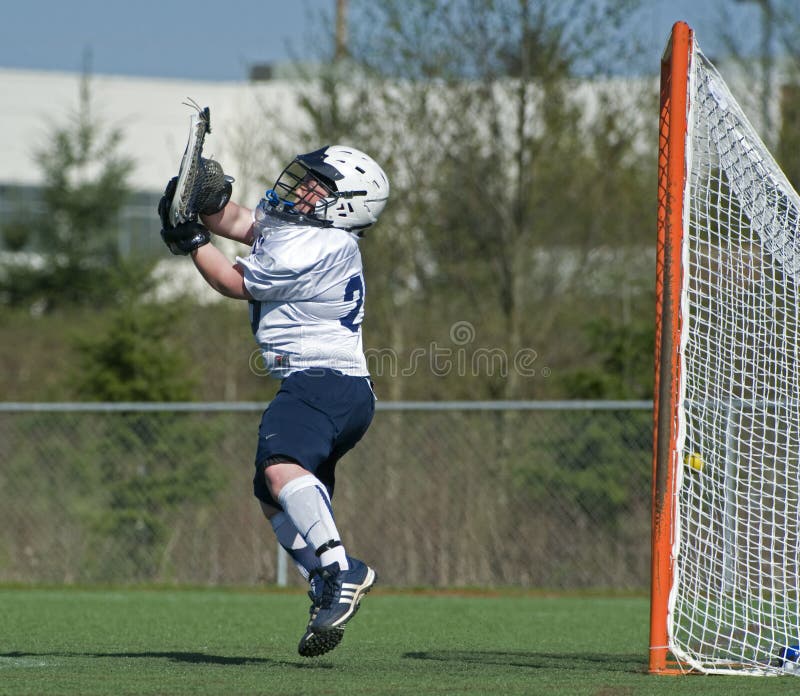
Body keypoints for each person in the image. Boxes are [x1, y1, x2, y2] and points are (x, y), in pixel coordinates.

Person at [157, 144, 390, 657]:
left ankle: (339, 570)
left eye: (318, 186)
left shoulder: (320, 245)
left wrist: (193, 238)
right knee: (271, 493)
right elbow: (241, 222)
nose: (302, 188)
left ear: (346, 205)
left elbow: (232, 280)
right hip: (335, 387)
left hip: (322, 380)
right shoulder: (302, 231)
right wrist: (203, 203)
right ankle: (325, 577)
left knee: (281, 467)